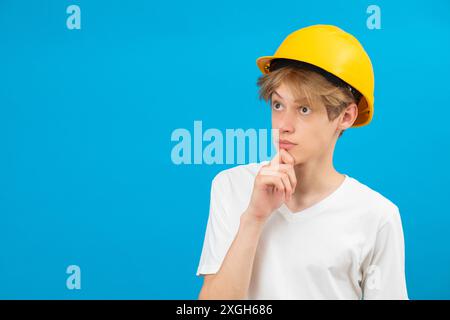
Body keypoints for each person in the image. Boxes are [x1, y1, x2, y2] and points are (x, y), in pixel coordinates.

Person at [196, 25, 408, 300]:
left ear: (345, 117)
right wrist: (254, 218)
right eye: (278, 105)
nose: (283, 126)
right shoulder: (231, 186)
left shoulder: (377, 217)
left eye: (304, 109)